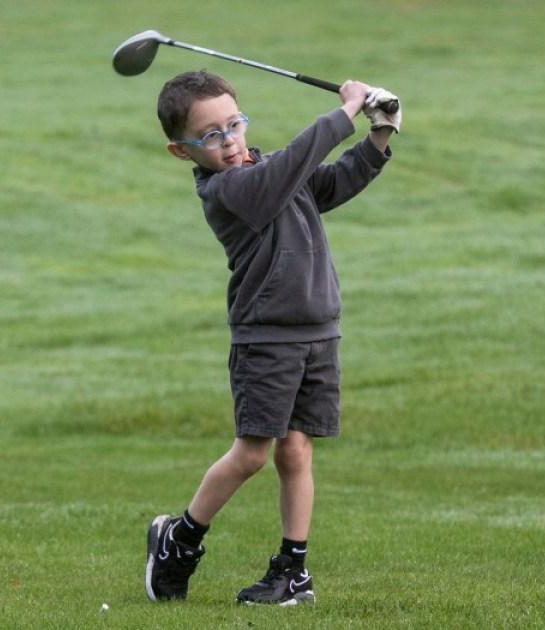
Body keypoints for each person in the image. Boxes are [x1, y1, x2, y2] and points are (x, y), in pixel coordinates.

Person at [144, 70, 399, 606]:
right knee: (252, 454)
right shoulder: (230, 190)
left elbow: (333, 181)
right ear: (181, 151)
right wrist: (345, 111)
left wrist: (380, 133)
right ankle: (180, 539)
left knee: (298, 452)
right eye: (211, 135)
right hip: (267, 339)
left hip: (319, 331)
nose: (230, 140)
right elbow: (292, 168)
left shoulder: (269, 170)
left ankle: (292, 572)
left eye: (234, 124)